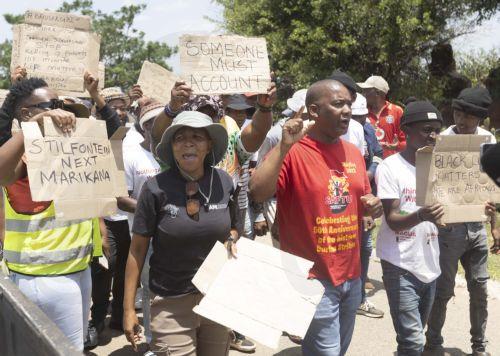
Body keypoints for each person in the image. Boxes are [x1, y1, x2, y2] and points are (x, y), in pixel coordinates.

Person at [250, 74, 383, 356]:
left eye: (349, 104)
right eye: (337, 104)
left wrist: (372, 205)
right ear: (314, 110)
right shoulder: (292, 151)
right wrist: (284, 147)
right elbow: (258, 192)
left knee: (338, 350)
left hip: (352, 275)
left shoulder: (352, 153)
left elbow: (360, 200)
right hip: (310, 278)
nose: (347, 110)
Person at [151, 80, 277, 353]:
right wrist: (172, 107)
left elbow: (254, 136)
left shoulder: (230, 131)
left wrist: (264, 108)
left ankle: (232, 329)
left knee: (225, 287)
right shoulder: (176, 144)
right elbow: (156, 137)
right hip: (180, 232)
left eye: (211, 115)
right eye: (198, 113)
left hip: (226, 218)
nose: (200, 126)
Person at [0, 71, 119, 350]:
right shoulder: (23, 151)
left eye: (60, 105)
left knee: (71, 348)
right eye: (49, 106)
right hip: (42, 276)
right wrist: (33, 126)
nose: (59, 112)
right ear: (26, 112)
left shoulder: (69, 146)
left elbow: (113, 138)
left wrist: (96, 97)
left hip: (77, 269)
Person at [123, 110, 238, 356]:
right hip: (170, 302)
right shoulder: (155, 188)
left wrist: (232, 239)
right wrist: (128, 309)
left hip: (216, 299)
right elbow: (137, 250)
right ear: (172, 147)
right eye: (179, 137)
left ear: (209, 145)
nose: (188, 142)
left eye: (197, 137)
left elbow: (234, 228)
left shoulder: (225, 182)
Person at [425, 87, 497, 356]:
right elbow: (429, 187)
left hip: (477, 228)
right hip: (448, 230)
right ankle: (432, 344)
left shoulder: (488, 139)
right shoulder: (441, 141)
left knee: (479, 290)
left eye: (468, 116)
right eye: (457, 113)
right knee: (443, 291)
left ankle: (479, 347)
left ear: (479, 118)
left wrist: (495, 224)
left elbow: (492, 185)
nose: (461, 120)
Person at [376, 101, 445, 355]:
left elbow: (449, 211)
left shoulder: (440, 168)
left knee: (416, 333)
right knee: (412, 341)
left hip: (429, 263)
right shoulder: (390, 168)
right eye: (427, 129)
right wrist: (422, 215)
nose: (433, 136)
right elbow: (393, 219)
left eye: (437, 130)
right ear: (406, 129)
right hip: (400, 264)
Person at [117, 99, 162, 346]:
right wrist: (154, 209)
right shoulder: (131, 154)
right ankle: (154, 342)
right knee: (149, 288)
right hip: (144, 235)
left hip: (174, 233)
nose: (160, 127)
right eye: (153, 123)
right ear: (144, 127)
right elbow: (122, 199)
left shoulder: (175, 153)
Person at [350, 93, 384, 319]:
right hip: (339, 202)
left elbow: (378, 155)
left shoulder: (366, 129)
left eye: (362, 117)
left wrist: (369, 174)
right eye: (356, 117)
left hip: (363, 197)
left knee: (364, 248)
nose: (358, 121)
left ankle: (359, 298)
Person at [358, 75, 405, 158]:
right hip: (368, 165)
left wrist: (396, 146)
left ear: (377, 93)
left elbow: (406, 142)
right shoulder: (361, 113)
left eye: (366, 91)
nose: (363, 94)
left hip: (390, 166)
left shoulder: (397, 111)